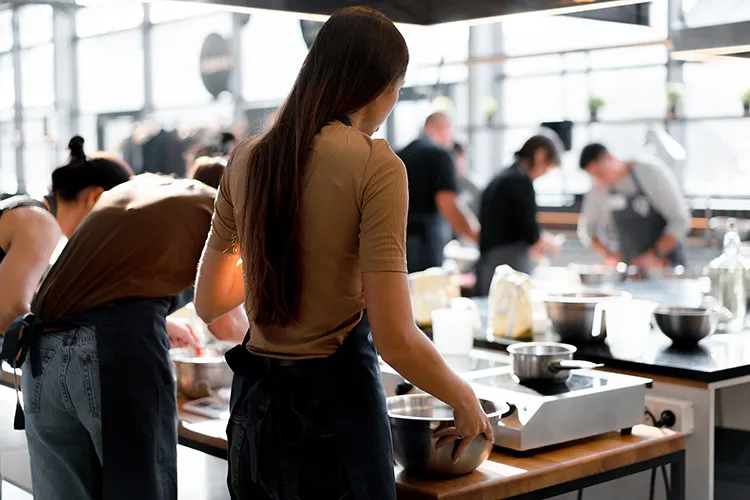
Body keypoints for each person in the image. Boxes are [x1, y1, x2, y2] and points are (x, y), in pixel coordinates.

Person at [194, 8, 492, 500]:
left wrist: (280, 249)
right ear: (382, 88)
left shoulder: (247, 158)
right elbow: (396, 339)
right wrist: (464, 397)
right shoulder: (376, 165)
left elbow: (209, 302)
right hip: (333, 419)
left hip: (254, 418)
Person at [1, 137, 220, 500]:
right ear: (94, 195)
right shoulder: (217, 212)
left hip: (43, 357)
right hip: (116, 351)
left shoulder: (142, 194)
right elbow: (221, 316)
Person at [577, 143, 690, 268]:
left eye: (601, 173)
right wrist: (609, 254)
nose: (599, 180)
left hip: (665, 266)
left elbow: (680, 220)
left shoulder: (650, 173)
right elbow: (587, 230)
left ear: (610, 157)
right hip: (628, 270)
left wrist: (654, 255)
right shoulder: (598, 188)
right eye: (594, 176)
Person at [474, 135, 562, 295]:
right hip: (507, 261)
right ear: (540, 155)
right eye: (547, 168)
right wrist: (547, 242)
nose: (544, 174)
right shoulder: (520, 181)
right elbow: (530, 231)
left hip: (489, 259)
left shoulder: (502, 176)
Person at [399, 112, 479, 273]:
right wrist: (477, 236)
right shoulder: (440, 154)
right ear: (445, 128)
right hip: (425, 245)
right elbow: (449, 205)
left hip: (398, 240)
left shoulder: (399, 154)